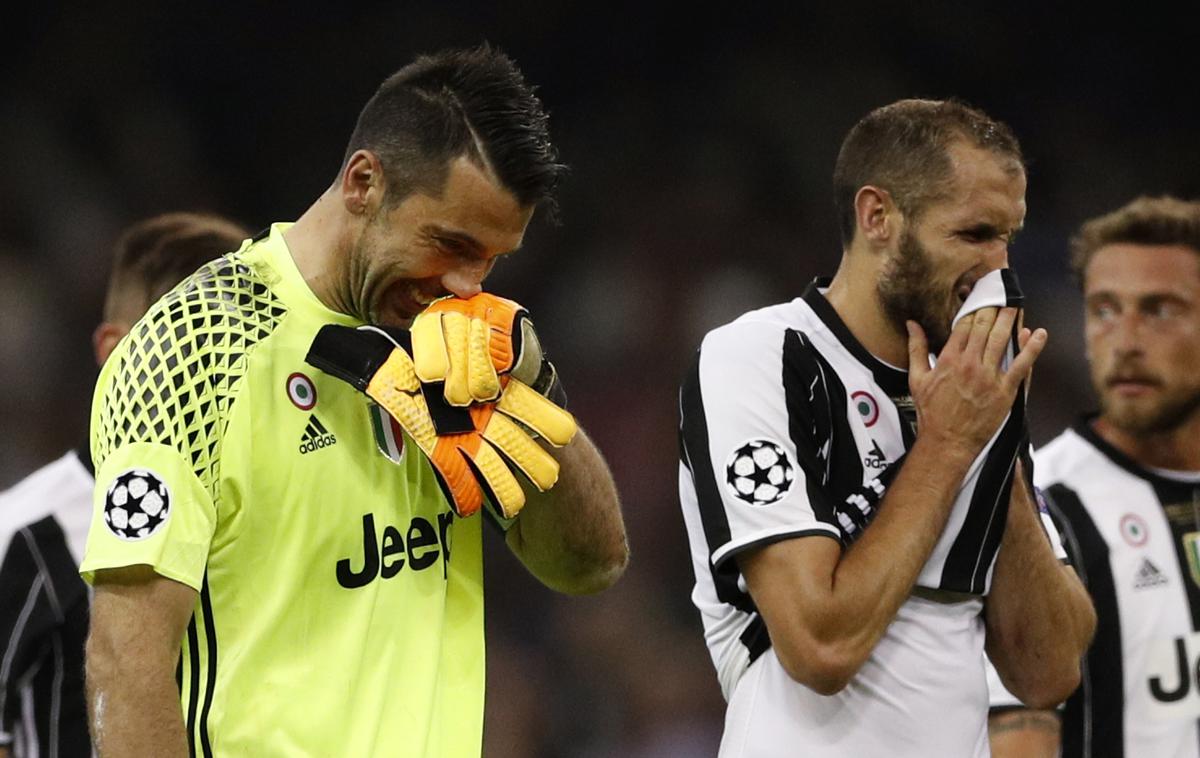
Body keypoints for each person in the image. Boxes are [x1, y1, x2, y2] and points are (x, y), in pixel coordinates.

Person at [79, 46, 628, 758]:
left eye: (491, 260)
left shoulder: (451, 350)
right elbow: (126, 664)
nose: (467, 285)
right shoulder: (194, 350)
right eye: (452, 243)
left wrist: (528, 382)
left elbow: (591, 564)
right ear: (364, 183)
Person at [677, 98, 1096, 757]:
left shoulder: (972, 394)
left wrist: (994, 446)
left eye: (1008, 237)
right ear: (877, 218)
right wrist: (949, 444)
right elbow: (820, 647)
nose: (1000, 270)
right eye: (974, 235)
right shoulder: (761, 357)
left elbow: (1048, 669)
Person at [0, 212, 248, 758]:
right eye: (193, 346)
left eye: (240, 351)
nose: (220, 374)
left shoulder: (268, 516)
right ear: (115, 351)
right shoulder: (25, 534)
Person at [987, 196, 1200, 758]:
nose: (1125, 341)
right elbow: (1018, 741)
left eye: (1160, 309)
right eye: (1104, 309)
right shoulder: (1039, 508)